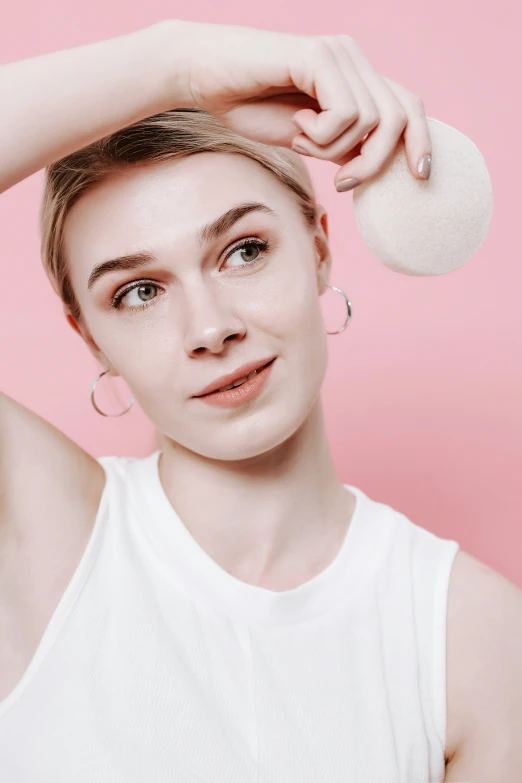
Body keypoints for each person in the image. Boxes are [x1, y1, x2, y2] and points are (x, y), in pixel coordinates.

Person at [0, 19, 520, 783]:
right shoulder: (37, 535)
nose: (210, 328)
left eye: (244, 250)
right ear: (90, 338)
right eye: (138, 292)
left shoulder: (473, 637)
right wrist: (177, 62)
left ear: (317, 247)